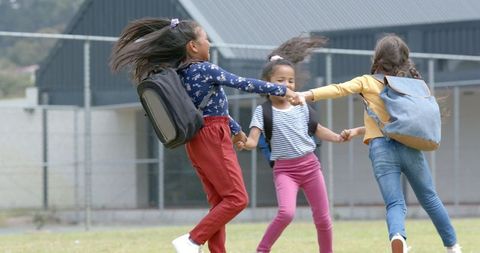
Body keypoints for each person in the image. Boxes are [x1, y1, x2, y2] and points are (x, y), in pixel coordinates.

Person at [110, 18, 298, 253]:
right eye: (205, 38)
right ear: (193, 46)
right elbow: (243, 83)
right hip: (212, 136)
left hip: (198, 138)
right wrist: (281, 89)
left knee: (220, 202)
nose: (209, 43)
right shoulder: (205, 69)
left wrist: (236, 131)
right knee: (237, 199)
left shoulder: (181, 73)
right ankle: (191, 240)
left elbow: (209, 109)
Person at [293, 34, 462, 253]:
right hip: (409, 146)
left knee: (394, 204)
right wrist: (357, 130)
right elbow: (400, 124)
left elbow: (339, 89)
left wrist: (306, 94)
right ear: (403, 60)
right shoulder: (412, 86)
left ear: (378, 58)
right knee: (429, 197)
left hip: (381, 150)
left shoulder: (367, 82)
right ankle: (452, 246)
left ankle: (398, 237)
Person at [235, 36, 345, 253]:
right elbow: (253, 141)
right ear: (267, 84)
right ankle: (262, 249)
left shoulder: (301, 106)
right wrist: (244, 143)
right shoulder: (262, 112)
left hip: (311, 167)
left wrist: (338, 137)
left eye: (291, 80)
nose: (287, 85)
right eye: (280, 80)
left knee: (323, 218)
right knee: (286, 213)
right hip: (286, 171)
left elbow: (318, 129)